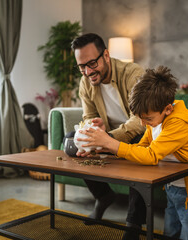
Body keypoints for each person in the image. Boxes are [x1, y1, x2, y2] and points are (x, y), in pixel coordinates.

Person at [77, 66, 188, 240]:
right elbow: (140, 148)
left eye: (147, 119)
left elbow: (150, 155)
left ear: (167, 109)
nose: (143, 124)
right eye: (140, 118)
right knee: (170, 230)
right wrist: (104, 148)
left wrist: (111, 143)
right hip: (173, 187)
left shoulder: (178, 125)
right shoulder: (154, 122)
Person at [70, 33, 145, 223]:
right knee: (72, 142)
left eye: (92, 64)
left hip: (139, 135)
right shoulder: (85, 82)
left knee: (139, 148)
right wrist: (94, 127)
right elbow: (88, 117)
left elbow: (140, 120)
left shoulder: (133, 73)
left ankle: (133, 224)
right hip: (109, 135)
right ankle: (103, 196)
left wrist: (108, 138)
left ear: (106, 55)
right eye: (81, 67)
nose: (87, 72)